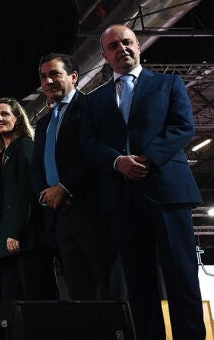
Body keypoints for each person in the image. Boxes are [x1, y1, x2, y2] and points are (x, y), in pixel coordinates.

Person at [81, 24, 204, 340]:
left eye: (127, 42)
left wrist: (146, 159)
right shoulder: (94, 100)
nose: (121, 48)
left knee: (181, 277)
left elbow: (183, 127)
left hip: (167, 191)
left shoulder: (169, 83)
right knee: (139, 282)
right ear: (105, 55)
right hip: (123, 197)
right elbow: (90, 143)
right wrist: (118, 162)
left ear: (138, 46)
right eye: (113, 46)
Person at [30, 53, 124, 301]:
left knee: (109, 290)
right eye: (43, 77)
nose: (48, 81)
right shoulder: (44, 123)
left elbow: (96, 154)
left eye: (55, 74)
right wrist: (46, 196)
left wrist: (65, 187)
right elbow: (36, 167)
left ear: (73, 77)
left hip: (92, 212)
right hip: (59, 216)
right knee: (78, 293)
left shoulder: (92, 107)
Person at [0, 98, 55, 304]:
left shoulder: (25, 145)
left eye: (5, 114)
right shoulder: (2, 153)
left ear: (17, 119)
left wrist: (15, 232)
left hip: (27, 240)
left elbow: (26, 192)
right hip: (8, 243)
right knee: (13, 305)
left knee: (37, 302)